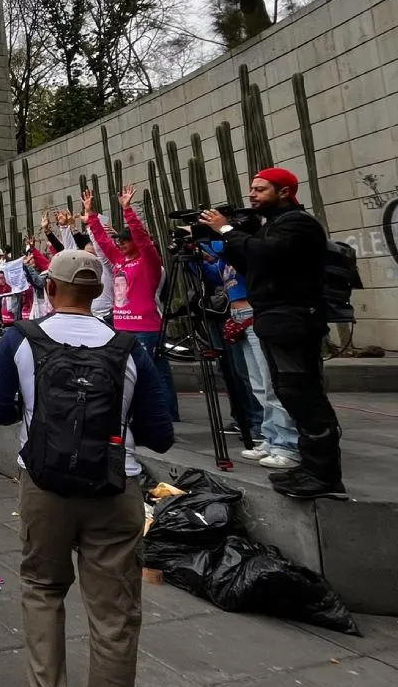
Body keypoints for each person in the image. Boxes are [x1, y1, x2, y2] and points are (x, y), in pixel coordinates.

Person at [0, 249, 175, 687]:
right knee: (114, 620)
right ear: (97, 294)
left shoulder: (21, 340)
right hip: (116, 488)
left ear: (47, 286)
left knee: (42, 587)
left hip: (43, 487)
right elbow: (160, 433)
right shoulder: (129, 346)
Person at [200, 168, 344, 499]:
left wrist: (226, 228)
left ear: (283, 192)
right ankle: (310, 468)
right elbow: (250, 261)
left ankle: (324, 473)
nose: (252, 194)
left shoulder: (298, 223)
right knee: (287, 390)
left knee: (303, 393)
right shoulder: (272, 226)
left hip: (293, 318)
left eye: (260, 189)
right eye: (252, 188)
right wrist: (224, 238)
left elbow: (266, 254)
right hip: (275, 318)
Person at [198, 238, 300, 468]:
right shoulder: (225, 262)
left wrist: (217, 238)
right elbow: (213, 274)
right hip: (237, 318)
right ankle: (271, 436)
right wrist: (196, 259)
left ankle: (288, 444)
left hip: (255, 315)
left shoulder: (246, 252)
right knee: (256, 383)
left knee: (271, 383)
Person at [86, 188, 180, 420]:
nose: (123, 243)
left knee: (152, 373)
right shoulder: (119, 261)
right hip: (122, 327)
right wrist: (91, 216)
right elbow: (104, 243)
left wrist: (127, 210)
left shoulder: (149, 263)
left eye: (127, 240)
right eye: (121, 240)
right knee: (133, 372)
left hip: (146, 328)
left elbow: (144, 241)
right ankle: (150, 412)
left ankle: (164, 414)